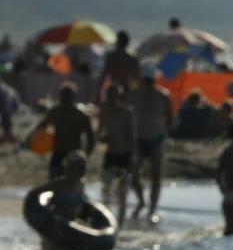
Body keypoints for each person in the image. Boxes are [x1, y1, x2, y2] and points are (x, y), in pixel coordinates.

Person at [29, 150, 89, 250]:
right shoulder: (59, 184)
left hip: (70, 232)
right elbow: (33, 194)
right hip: (53, 231)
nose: (82, 170)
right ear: (69, 168)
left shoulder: (81, 184)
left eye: (83, 166)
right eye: (79, 167)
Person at [128, 66, 173, 218]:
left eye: (150, 81)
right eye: (145, 81)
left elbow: (170, 119)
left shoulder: (163, 96)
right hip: (138, 140)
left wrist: (159, 129)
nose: (147, 85)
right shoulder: (133, 95)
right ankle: (141, 201)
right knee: (132, 175)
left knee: (156, 175)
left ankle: (152, 207)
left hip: (156, 139)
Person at [30, 82, 94, 179]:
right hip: (59, 152)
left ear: (74, 97)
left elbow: (91, 137)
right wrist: (32, 142)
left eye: (68, 96)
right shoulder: (56, 112)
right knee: (53, 182)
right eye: (64, 96)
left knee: (74, 184)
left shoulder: (80, 115)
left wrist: (86, 154)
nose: (65, 98)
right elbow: (40, 128)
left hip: (74, 154)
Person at [100, 83, 138, 225]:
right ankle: (105, 218)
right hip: (111, 153)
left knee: (122, 191)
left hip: (125, 154)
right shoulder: (106, 112)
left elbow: (133, 136)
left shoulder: (127, 112)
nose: (111, 98)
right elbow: (102, 133)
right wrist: (104, 138)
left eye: (113, 95)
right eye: (109, 95)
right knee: (106, 189)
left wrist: (134, 157)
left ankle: (120, 222)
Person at [97, 30, 140, 102]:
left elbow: (104, 74)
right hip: (126, 87)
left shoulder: (112, 56)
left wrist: (98, 90)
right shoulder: (133, 58)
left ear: (118, 42)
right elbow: (137, 77)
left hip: (113, 88)